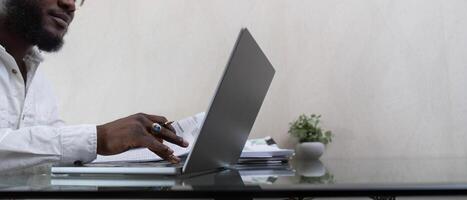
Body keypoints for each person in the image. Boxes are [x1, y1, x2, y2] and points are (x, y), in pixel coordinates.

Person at [0, 0, 188, 171]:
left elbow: (49, 153)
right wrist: (98, 138)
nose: (70, 5)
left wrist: (129, 145)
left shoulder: (37, 77)